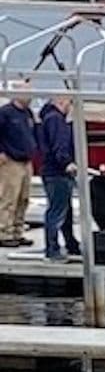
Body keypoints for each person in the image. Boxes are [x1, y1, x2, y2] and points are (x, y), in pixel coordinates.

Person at [37, 96, 82, 261]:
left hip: (53, 171)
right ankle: (52, 248)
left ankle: (71, 243)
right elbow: (59, 144)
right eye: (70, 103)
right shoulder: (56, 120)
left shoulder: (48, 118)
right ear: (62, 101)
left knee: (65, 210)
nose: (71, 108)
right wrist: (67, 162)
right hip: (57, 172)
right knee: (57, 211)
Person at [0, 80, 39, 248]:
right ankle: (4, 232)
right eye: (26, 92)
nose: (30, 96)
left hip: (26, 161)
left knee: (23, 199)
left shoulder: (28, 113)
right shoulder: (5, 113)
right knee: (9, 198)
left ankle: (18, 230)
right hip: (11, 161)